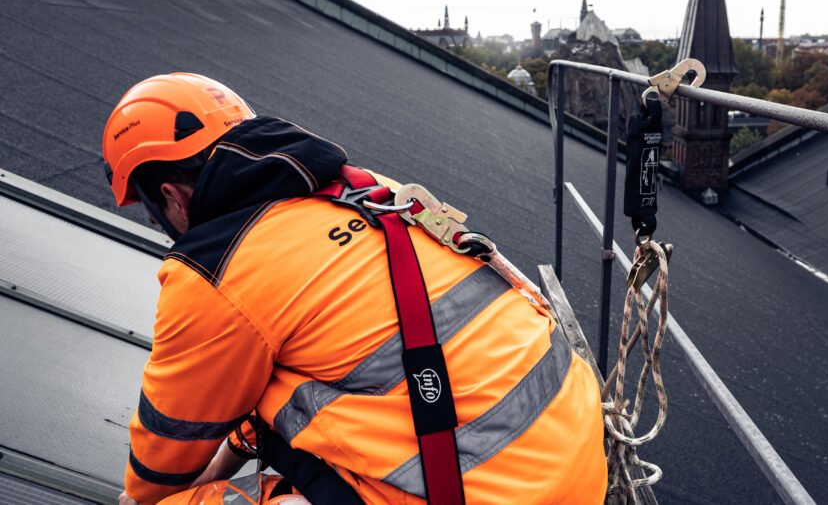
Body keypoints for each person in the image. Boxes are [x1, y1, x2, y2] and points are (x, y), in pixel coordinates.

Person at [103, 73, 607, 505]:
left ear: (169, 195)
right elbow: (349, 367)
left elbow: (165, 455)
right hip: (574, 464)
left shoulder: (214, 269)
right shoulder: (361, 190)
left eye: (152, 212)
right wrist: (235, 447)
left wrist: (147, 497)